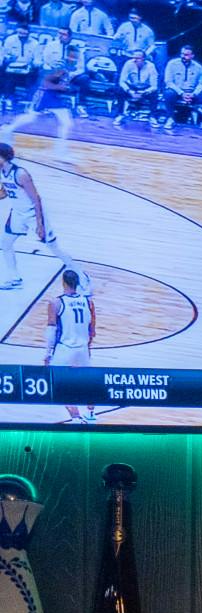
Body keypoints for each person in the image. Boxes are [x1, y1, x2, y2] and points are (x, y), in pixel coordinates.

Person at [0, 143, 83, 293]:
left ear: (2, 157)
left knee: (53, 248)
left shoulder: (20, 174)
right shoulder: (2, 172)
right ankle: (15, 279)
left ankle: (81, 277)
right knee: (5, 244)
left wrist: (39, 224)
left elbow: (36, 199)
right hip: (18, 214)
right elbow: (5, 193)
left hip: (33, 214)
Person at [44, 267, 92, 424]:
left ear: (63, 282)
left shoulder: (56, 302)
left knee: (56, 383)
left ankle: (76, 416)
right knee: (87, 383)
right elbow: (92, 329)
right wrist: (87, 348)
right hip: (83, 349)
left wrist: (48, 353)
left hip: (65, 348)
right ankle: (91, 414)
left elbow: (51, 329)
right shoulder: (88, 302)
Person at [162, 44, 202, 130]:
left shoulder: (198, 67)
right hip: (177, 90)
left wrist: (194, 94)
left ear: (192, 56)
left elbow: (201, 83)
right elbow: (168, 82)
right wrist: (181, 93)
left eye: (186, 55)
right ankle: (170, 118)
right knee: (168, 93)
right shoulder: (172, 64)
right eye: (182, 54)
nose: (183, 56)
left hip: (192, 92)